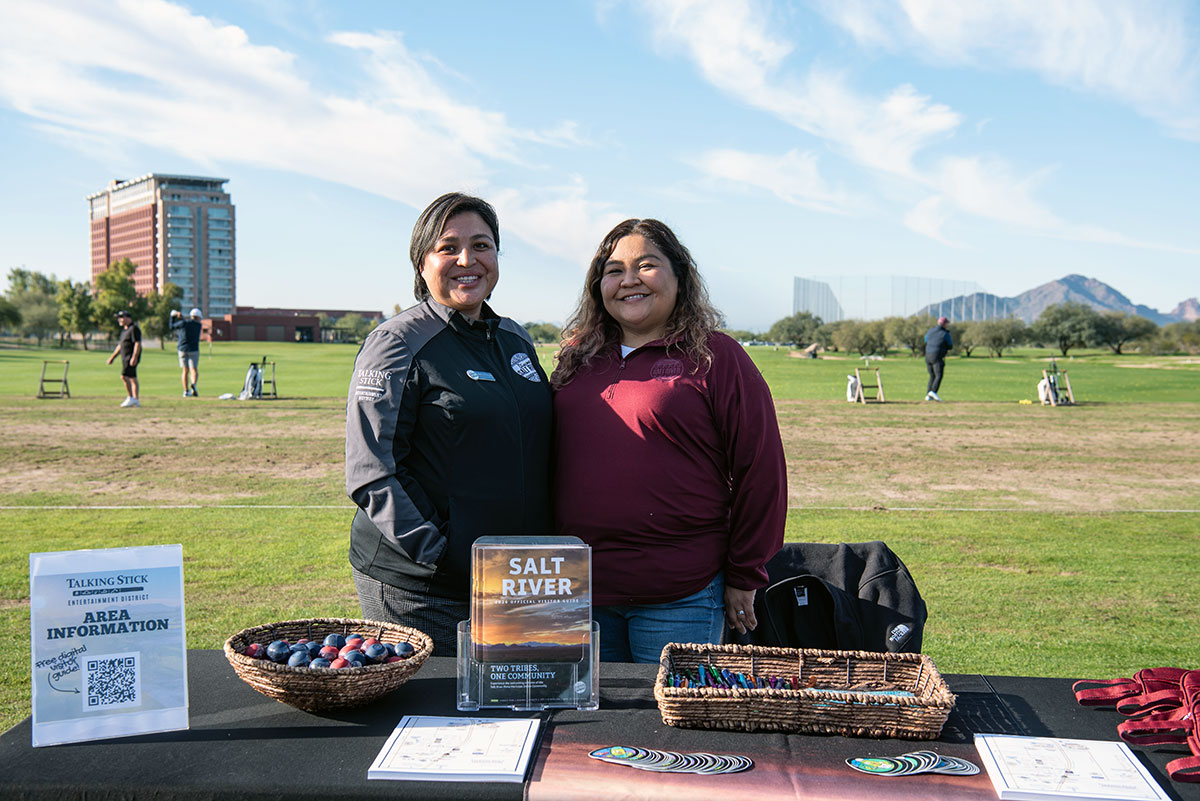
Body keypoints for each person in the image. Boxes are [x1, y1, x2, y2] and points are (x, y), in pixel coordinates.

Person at [552, 218, 787, 663]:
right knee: (588, 728)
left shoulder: (715, 357)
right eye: (614, 269)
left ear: (680, 276)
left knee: (668, 728)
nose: (629, 280)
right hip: (580, 594)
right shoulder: (575, 360)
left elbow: (762, 471)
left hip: (681, 595)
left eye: (646, 265)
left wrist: (745, 572)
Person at [344, 192, 552, 655]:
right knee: (440, 720)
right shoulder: (397, 343)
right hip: (424, 589)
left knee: (518, 709)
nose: (467, 259)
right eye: (448, 247)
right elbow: (372, 472)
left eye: (482, 245)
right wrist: (441, 554)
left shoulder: (515, 339)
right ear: (421, 263)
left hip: (511, 579)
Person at [106, 310, 142, 408]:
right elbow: (120, 346)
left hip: (130, 357)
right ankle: (135, 400)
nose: (119, 320)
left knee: (124, 376)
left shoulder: (134, 329)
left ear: (127, 318)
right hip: (124, 357)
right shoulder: (124, 331)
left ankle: (131, 397)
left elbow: (137, 343)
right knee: (132, 377)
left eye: (121, 317)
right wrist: (112, 357)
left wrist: (134, 357)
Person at [170, 307, 204, 397]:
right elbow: (190, 323)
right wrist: (182, 318)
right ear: (198, 317)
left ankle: (186, 391)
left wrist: (173, 317)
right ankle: (194, 384)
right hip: (194, 349)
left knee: (185, 370)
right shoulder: (198, 325)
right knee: (194, 369)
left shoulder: (183, 323)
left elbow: (172, 326)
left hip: (182, 349)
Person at [924, 316, 952, 401]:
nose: (947, 325)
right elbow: (950, 345)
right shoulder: (945, 333)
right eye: (946, 323)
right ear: (944, 324)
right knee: (939, 375)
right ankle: (933, 391)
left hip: (928, 355)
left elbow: (926, 340)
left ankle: (928, 395)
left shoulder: (930, 331)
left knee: (932, 375)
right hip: (937, 356)